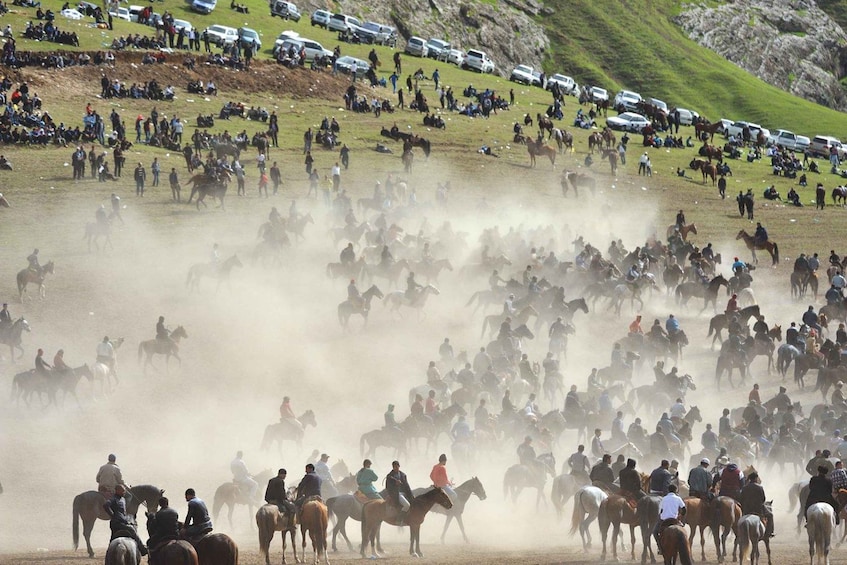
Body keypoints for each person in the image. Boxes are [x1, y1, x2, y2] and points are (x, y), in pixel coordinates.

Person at [104, 484, 148, 555]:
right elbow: (106, 505)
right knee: (132, 530)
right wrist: (113, 515)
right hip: (117, 523)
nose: (124, 492)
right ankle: (142, 549)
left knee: (112, 539)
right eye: (123, 491)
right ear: (117, 491)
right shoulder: (114, 499)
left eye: (124, 491)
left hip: (121, 521)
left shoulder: (123, 499)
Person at [654, 484, 686, 552]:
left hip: (664, 520)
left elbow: (660, 511)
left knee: (655, 532)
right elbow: (684, 509)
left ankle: (660, 547)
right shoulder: (678, 498)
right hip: (674, 520)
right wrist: (680, 515)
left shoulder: (664, 499)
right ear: (676, 490)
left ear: (668, 490)